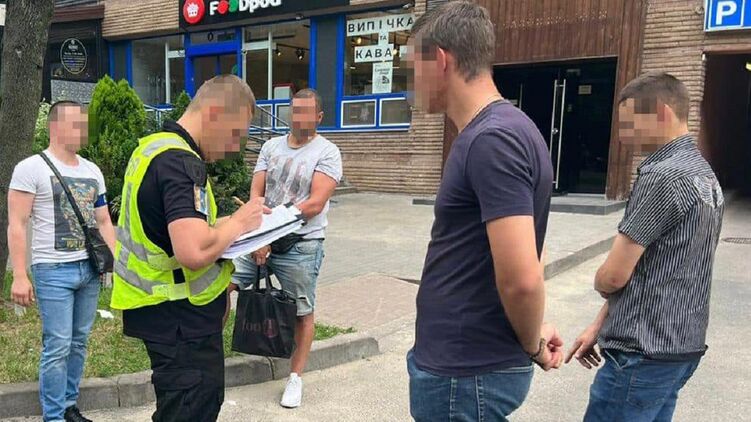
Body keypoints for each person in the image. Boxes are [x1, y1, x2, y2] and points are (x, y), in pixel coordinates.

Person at [406, 2, 563, 421]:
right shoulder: (508, 130)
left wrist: (532, 344)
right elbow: (532, 249)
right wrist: (532, 330)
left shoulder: (492, 140)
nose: (412, 83)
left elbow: (523, 280)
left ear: (440, 60)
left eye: (414, 68)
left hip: (465, 374)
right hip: (465, 369)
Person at [566, 72, 725, 422]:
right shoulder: (706, 176)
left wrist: (599, 280)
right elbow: (655, 267)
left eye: (629, 124)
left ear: (661, 113)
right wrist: (599, 326)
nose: (624, 136)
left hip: (641, 353)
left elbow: (614, 276)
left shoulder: (662, 175)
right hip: (679, 349)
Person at [109, 75, 268, 422]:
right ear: (214, 112)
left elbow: (179, 229)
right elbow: (193, 250)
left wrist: (232, 224)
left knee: (181, 409)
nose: (234, 147)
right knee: (191, 410)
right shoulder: (181, 163)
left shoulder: (153, 149)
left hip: (167, 316)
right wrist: (239, 223)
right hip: (180, 320)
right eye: (235, 133)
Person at [229, 88, 342, 409]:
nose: (299, 117)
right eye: (295, 110)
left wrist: (269, 232)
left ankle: (295, 378)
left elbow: (315, 204)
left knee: (302, 311)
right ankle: (208, 356)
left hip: (301, 245)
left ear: (319, 117)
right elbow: (256, 194)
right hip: (260, 239)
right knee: (223, 285)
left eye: (307, 112)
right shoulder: (270, 147)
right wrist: (258, 235)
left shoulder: (328, 152)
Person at [8, 101, 115, 422]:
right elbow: (17, 223)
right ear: (55, 126)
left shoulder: (92, 171)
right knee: (57, 345)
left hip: (89, 269)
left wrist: (113, 263)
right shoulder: (30, 168)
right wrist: (20, 275)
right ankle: (53, 416)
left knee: (79, 343)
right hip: (52, 269)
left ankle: (69, 406)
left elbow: (104, 221)